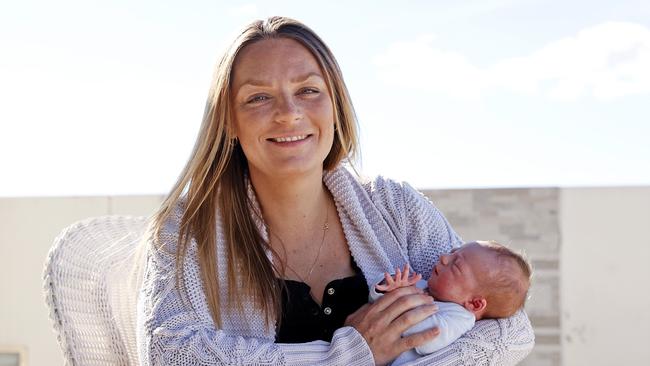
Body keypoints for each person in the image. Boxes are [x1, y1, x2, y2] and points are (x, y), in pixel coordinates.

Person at [136, 16, 535, 366]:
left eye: (309, 90)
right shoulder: (187, 230)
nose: (289, 112)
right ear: (228, 122)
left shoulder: (396, 208)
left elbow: (509, 331)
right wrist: (349, 355)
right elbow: (170, 353)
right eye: (258, 97)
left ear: (336, 105)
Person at [369, 241, 532, 365]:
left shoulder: (460, 317)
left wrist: (400, 299)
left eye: (456, 266)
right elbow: (374, 305)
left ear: (474, 304)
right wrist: (388, 286)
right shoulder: (423, 285)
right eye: (453, 253)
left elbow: (427, 340)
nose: (444, 258)